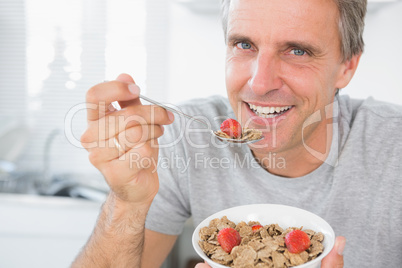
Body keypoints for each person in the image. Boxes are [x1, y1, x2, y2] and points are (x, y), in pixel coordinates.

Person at [72, 0, 402, 267]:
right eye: (244, 44)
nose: (260, 83)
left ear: (347, 67)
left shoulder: (394, 147)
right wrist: (127, 203)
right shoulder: (182, 136)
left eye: (297, 51)